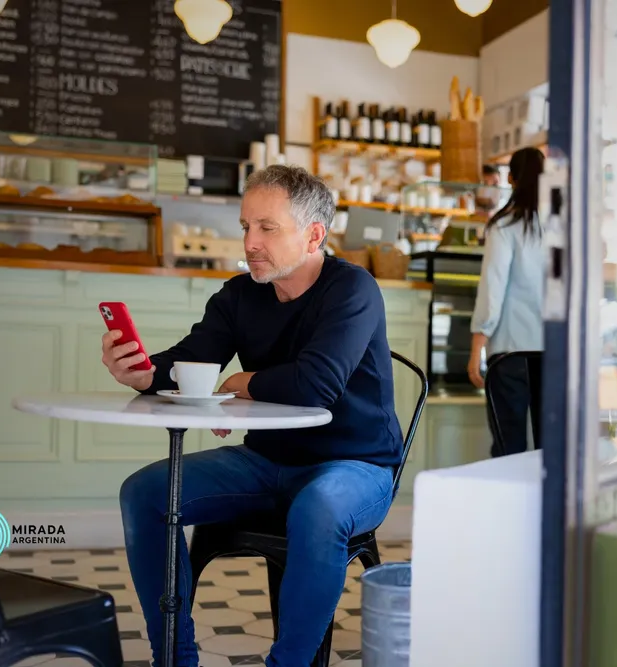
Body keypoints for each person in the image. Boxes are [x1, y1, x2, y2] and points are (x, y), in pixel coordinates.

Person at [102, 165, 402, 667]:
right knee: (145, 492)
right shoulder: (240, 296)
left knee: (319, 508)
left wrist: (242, 382)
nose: (251, 242)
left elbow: (317, 387)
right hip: (266, 461)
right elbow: (188, 363)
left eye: (267, 228)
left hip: (358, 465)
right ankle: (174, 658)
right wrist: (140, 372)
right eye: (245, 227)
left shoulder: (353, 289)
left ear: (314, 235)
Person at [467, 147, 546, 457]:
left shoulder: (504, 226)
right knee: (549, 449)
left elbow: (492, 288)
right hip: (554, 352)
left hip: (510, 352)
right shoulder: (565, 228)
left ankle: (510, 505)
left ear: (510, 178)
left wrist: (477, 349)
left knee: (508, 446)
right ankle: (545, 507)